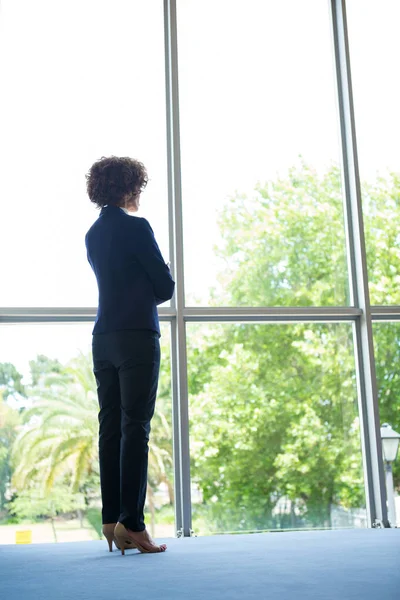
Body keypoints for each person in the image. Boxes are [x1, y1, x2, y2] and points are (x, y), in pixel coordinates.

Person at [85, 156, 175, 555]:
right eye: (137, 185)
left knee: (110, 427)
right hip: (137, 335)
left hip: (103, 338)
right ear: (128, 187)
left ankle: (111, 520)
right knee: (135, 427)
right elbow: (164, 285)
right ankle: (134, 526)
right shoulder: (137, 228)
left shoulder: (92, 234)